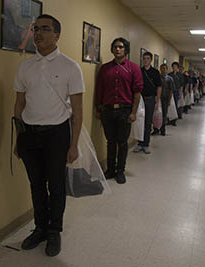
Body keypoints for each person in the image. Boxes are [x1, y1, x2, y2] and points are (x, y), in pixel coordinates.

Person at [13, 14, 84, 257]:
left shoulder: (70, 67)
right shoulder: (25, 66)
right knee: (36, 185)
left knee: (55, 185)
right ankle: (40, 228)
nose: (39, 33)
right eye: (36, 29)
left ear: (57, 35)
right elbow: (19, 104)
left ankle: (55, 231)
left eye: (45, 28)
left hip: (57, 134)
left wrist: (73, 145)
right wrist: (18, 139)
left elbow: (78, 111)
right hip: (30, 135)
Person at [95, 37, 143, 184]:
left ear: (126, 50)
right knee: (111, 142)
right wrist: (98, 109)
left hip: (125, 111)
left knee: (122, 143)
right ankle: (110, 169)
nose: (117, 49)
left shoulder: (133, 68)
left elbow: (137, 92)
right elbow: (99, 90)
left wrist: (133, 112)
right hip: (107, 111)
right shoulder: (105, 69)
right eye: (115, 47)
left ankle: (120, 171)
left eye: (121, 47)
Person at [133, 52, 162, 154]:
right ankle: (139, 143)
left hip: (150, 100)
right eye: (144, 58)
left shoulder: (155, 72)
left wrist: (157, 101)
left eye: (148, 59)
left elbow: (159, 87)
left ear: (151, 60)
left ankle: (146, 144)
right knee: (139, 120)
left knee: (148, 122)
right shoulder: (138, 71)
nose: (145, 60)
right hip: (139, 99)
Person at [153, 63, 174, 136]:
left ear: (167, 69)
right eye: (162, 68)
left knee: (164, 114)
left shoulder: (170, 79)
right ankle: (155, 129)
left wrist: (169, 100)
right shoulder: (157, 77)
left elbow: (171, 90)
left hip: (165, 98)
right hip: (158, 98)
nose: (163, 70)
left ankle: (162, 130)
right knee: (156, 114)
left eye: (164, 68)